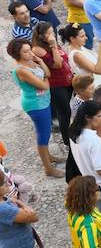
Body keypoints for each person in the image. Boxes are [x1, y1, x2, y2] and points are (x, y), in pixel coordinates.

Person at [8, 39, 64, 177]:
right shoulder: (21, 69)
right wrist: (45, 80)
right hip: (36, 105)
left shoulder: (31, 61)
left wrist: (40, 61)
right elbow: (45, 85)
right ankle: (48, 168)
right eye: (25, 51)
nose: (30, 53)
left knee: (47, 131)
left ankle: (49, 157)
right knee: (43, 135)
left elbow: (48, 74)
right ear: (17, 54)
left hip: (43, 101)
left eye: (29, 49)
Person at [31, 21, 74, 146]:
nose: (52, 35)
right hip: (56, 85)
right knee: (64, 113)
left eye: (52, 32)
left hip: (66, 81)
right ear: (41, 36)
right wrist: (54, 45)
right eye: (49, 33)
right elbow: (57, 63)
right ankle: (67, 141)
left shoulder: (49, 44)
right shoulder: (39, 49)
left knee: (67, 109)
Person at [69, 101, 101, 208]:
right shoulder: (94, 141)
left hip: (91, 185)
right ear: (88, 117)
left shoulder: (74, 133)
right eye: (99, 116)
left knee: (100, 218)